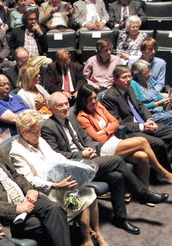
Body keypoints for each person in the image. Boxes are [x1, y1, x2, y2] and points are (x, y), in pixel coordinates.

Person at [42, 92, 169, 234]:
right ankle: (142, 193)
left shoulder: (70, 117)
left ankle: (120, 219)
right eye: (60, 105)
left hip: (88, 158)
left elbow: (85, 136)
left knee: (116, 176)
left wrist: (90, 148)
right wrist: (80, 154)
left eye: (66, 103)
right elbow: (55, 154)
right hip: (73, 166)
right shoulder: (48, 126)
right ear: (51, 108)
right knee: (116, 160)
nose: (65, 107)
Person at [10, 110, 111, 246]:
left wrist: (75, 167)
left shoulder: (39, 140)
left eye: (39, 130)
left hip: (60, 182)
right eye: (34, 131)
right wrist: (55, 185)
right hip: (45, 192)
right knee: (83, 198)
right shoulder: (16, 151)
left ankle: (97, 234)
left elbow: (57, 158)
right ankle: (87, 243)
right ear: (22, 131)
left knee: (89, 192)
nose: (38, 134)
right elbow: (29, 180)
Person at [76, 84, 172, 187]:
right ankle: (164, 173)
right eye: (90, 99)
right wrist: (109, 129)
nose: (94, 101)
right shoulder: (82, 117)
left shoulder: (98, 105)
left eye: (95, 98)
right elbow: (98, 139)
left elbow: (115, 122)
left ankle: (145, 191)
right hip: (104, 148)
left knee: (142, 156)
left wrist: (105, 131)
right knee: (142, 141)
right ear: (83, 100)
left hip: (114, 140)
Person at [102, 65, 172, 171]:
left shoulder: (129, 89)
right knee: (158, 143)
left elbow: (140, 106)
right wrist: (142, 127)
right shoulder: (110, 97)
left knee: (170, 132)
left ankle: (162, 166)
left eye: (129, 76)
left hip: (144, 123)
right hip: (130, 131)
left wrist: (150, 119)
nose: (128, 80)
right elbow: (118, 124)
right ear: (115, 80)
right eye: (124, 77)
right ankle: (163, 173)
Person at [131, 60, 172, 126]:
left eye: (149, 71)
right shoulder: (133, 84)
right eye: (146, 72)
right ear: (138, 74)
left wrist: (167, 98)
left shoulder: (148, 81)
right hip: (148, 116)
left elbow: (157, 95)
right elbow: (138, 106)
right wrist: (156, 104)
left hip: (160, 112)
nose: (150, 74)